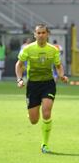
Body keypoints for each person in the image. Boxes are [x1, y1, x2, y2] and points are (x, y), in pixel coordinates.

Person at [15, 24, 68, 154]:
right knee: (34, 120)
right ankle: (31, 111)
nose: (41, 35)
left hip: (48, 84)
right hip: (33, 85)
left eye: (43, 33)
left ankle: (45, 144)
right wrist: (19, 79)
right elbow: (19, 65)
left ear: (47, 34)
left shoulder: (53, 50)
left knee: (46, 112)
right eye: (38, 33)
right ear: (35, 35)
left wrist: (61, 75)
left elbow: (58, 65)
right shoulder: (28, 49)